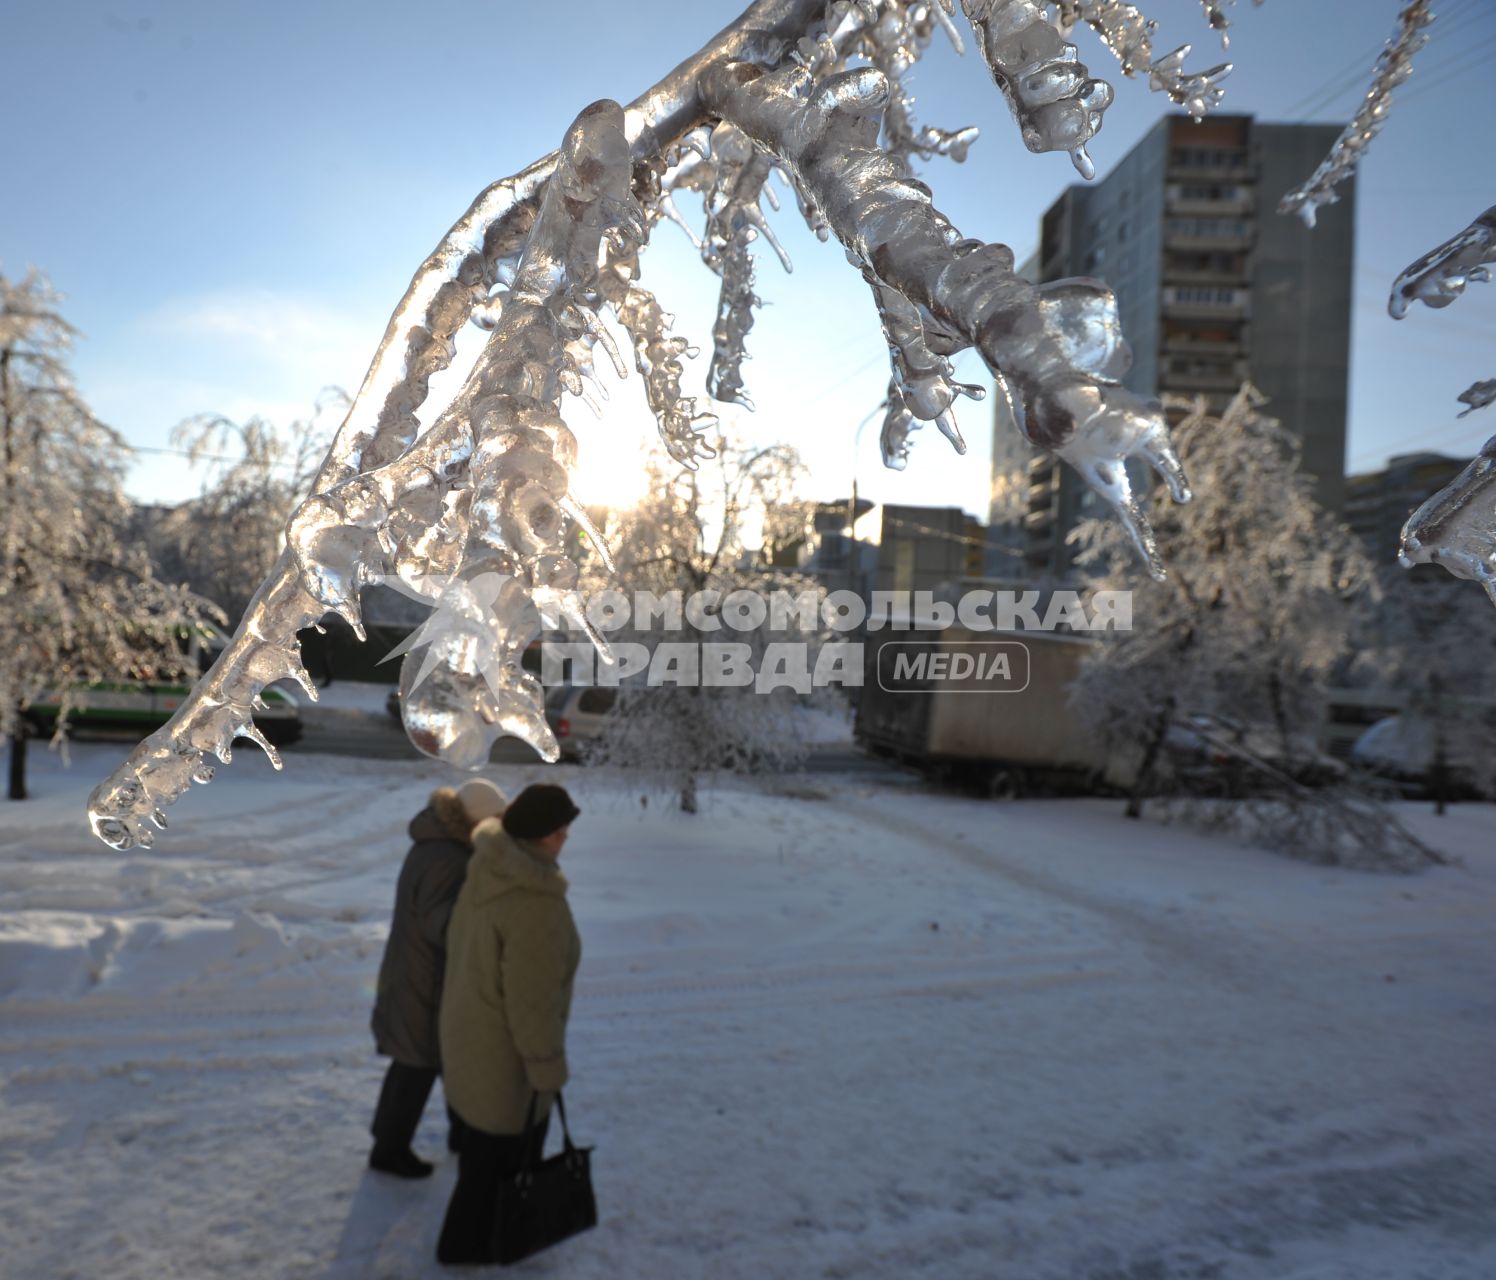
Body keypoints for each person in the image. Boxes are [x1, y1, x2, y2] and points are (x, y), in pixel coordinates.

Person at [436, 783, 583, 1266]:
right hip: (506, 1064)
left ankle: (467, 1245)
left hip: (470, 1041)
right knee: (498, 1172)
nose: (565, 839)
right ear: (539, 837)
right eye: (559, 831)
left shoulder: (487, 869)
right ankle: (470, 1250)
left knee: (481, 1164)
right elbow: (533, 1004)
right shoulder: (534, 902)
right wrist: (546, 1072)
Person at [368, 777, 508, 1178]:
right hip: (426, 980)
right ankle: (390, 1150)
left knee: (436, 1061)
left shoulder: (439, 845)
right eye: (496, 820)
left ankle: (459, 1135)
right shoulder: (448, 857)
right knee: (418, 1065)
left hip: (420, 973)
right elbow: (441, 924)